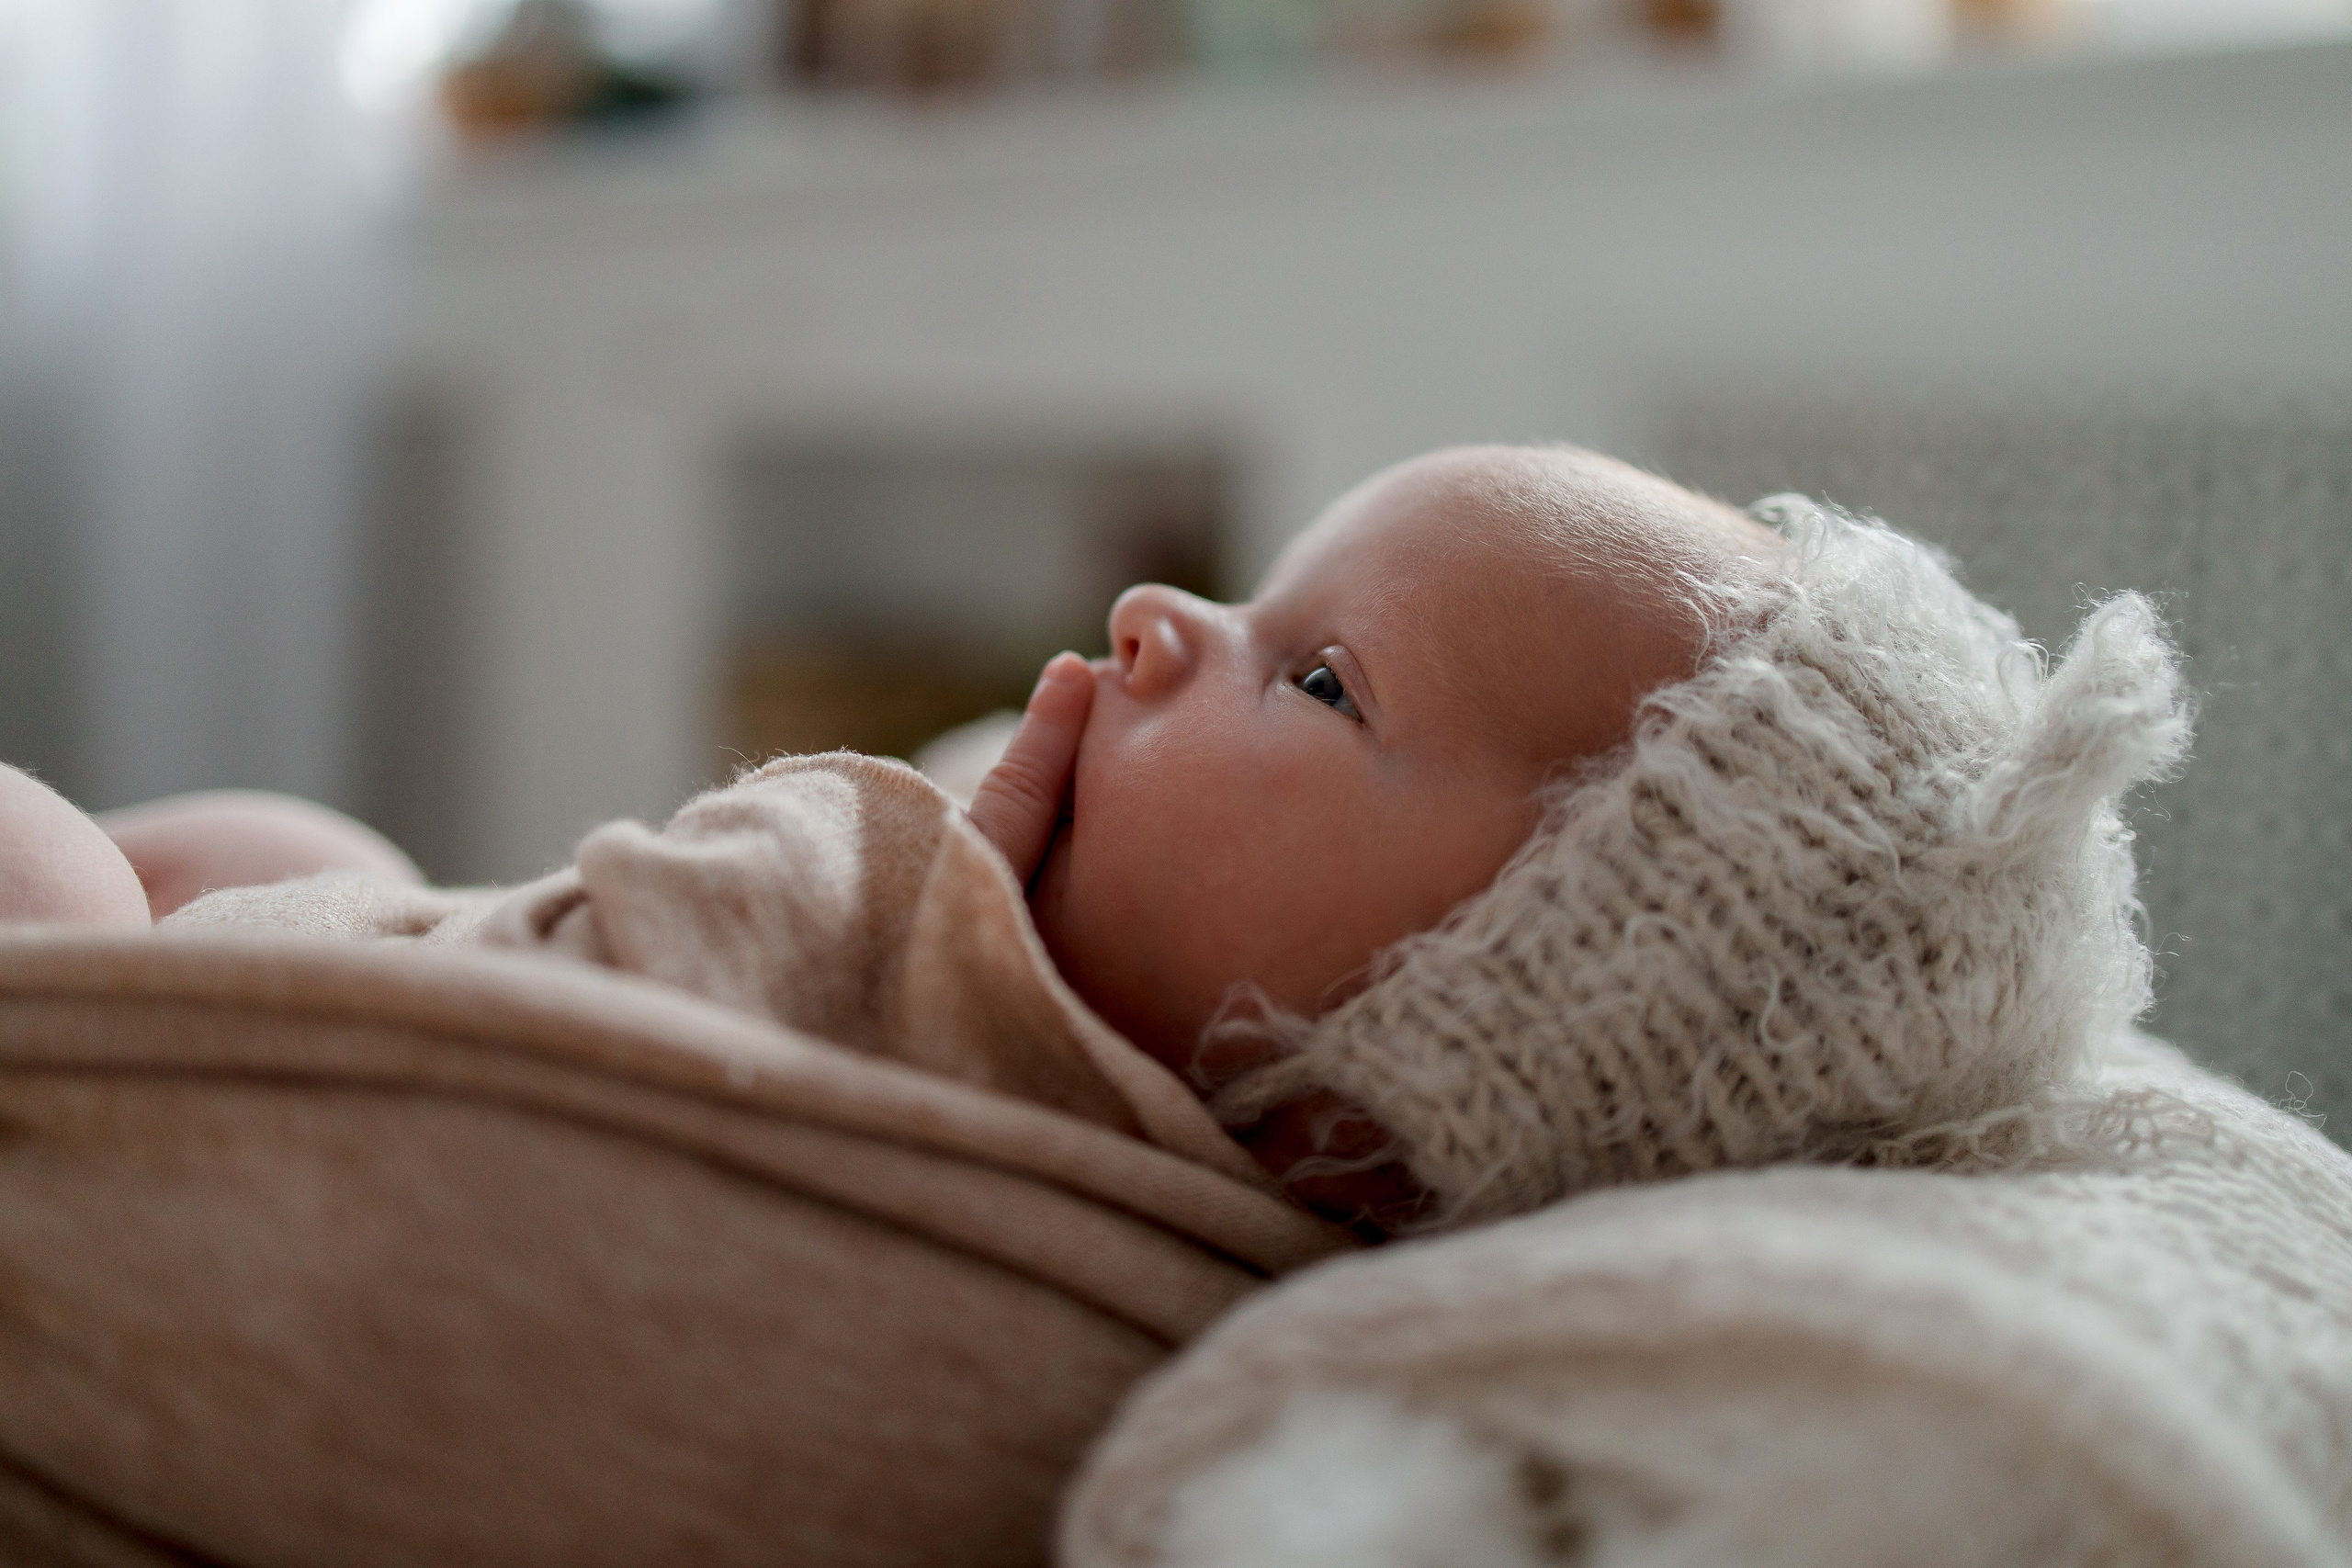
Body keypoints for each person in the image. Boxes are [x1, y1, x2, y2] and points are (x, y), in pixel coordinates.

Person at [0, 446, 2188, 1235]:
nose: (1159, 620)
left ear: (1434, 1056)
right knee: (290, 827)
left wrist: (906, 860)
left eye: (1313, 677)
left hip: (183, 1079)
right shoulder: (1174, 1109)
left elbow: (673, 947)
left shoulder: (1011, 1100)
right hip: (374, 934)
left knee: (53, 877)